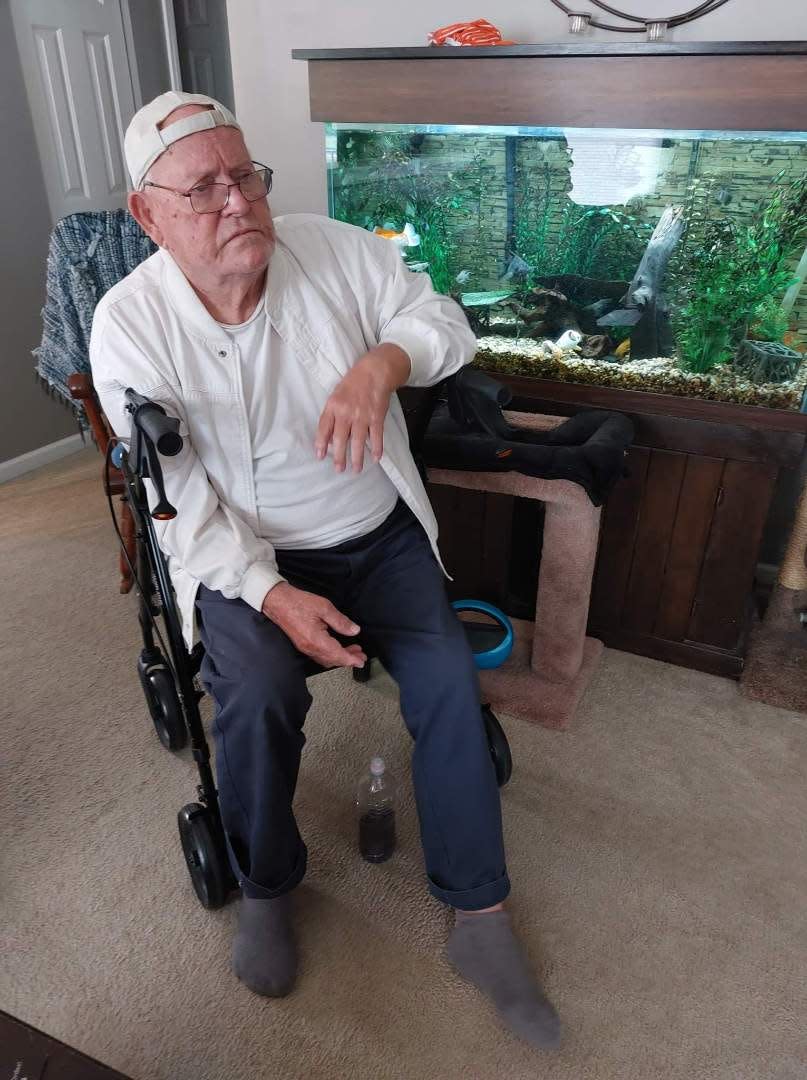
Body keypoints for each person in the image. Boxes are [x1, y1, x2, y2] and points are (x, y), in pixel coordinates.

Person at [90, 91, 560, 1050]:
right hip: (249, 560)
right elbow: (178, 511)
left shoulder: (338, 249)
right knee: (256, 693)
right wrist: (268, 593)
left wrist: (386, 360)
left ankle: (479, 915)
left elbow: (444, 321)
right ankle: (264, 883)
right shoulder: (129, 328)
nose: (238, 204)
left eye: (246, 176)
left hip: (376, 534)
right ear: (148, 214)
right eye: (204, 189)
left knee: (443, 680)